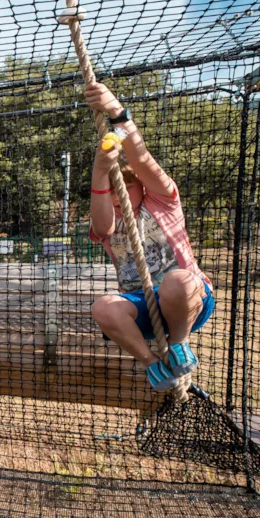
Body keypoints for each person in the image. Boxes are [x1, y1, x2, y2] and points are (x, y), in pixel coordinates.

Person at [85, 82, 215, 391]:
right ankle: (152, 364)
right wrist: (100, 171)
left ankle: (179, 343)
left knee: (177, 282)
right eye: (114, 191)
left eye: (126, 187)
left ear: (141, 187)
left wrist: (116, 111)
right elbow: (102, 228)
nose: (119, 196)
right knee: (103, 306)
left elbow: (141, 159)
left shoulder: (163, 201)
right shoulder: (112, 218)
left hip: (186, 302)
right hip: (143, 306)